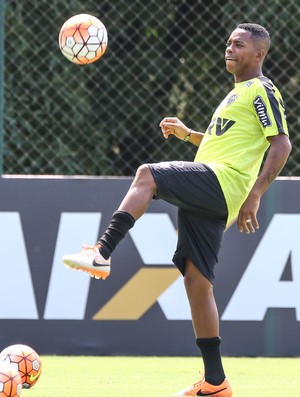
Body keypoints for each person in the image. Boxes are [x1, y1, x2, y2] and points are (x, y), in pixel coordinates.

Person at [63, 23, 292, 396]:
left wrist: (256, 194)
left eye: (239, 44)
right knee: (197, 282)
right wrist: (189, 135)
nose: (229, 49)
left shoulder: (261, 89)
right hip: (219, 184)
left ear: (259, 54)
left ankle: (101, 251)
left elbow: (281, 146)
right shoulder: (237, 94)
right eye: (228, 43)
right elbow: (226, 143)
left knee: (147, 174)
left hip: (225, 184)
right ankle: (216, 383)